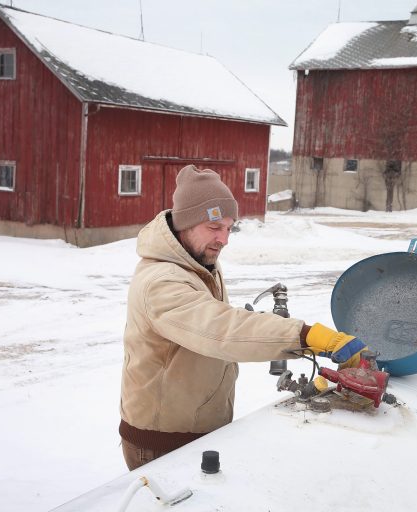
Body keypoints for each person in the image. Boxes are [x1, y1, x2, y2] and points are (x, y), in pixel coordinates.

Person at [119, 164, 366, 471]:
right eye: (214, 227)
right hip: (163, 442)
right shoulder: (161, 281)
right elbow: (222, 330)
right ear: (185, 223)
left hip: (196, 430)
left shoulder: (199, 263)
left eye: (229, 228)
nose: (224, 239)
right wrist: (307, 336)